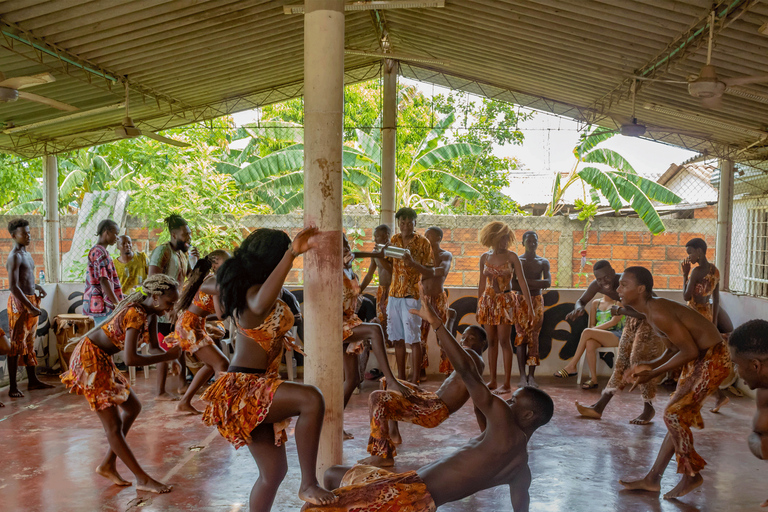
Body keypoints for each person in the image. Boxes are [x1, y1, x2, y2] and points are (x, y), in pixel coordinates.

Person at [301, 287, 553, 512]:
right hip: (409, 489)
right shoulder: (520, 468)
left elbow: (467, 371)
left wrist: (437, 324)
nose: (505, 402)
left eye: (513, 401)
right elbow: (521, 506)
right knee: (334, 475)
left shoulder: (502, 422)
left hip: (406, 497)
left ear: (528, 415)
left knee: (312, 508)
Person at [201, 226, 337, 510]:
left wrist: (221, 278)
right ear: (272, 260)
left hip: (255, 387)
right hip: (246, 388)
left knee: (273, 473)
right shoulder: (251, 295)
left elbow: (211, 283)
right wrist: (291, 255)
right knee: (312, 398)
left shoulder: (241, 286)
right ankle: (308, 483)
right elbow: (260, 304)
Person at [60, 274, 182, 493]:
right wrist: (166, 357)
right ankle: (142, 479)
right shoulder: (135, 314)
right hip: (90, 360)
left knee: (133, 407)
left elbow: (154, 347)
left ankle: (108, 465)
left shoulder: (151, 314)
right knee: (113, 426)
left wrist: (170, 357)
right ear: (155, 297)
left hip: (102, 358)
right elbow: (130, 359)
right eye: (169, 302)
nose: (171, 308)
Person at [617, 267, 731, 500]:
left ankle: (691, 475)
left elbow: (688, 350)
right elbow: (672, 348)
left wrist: (653, 373)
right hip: (701, 358)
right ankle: (652, 480)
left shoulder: (657, 310)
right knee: (675, 416)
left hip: (713, 358)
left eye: (623, 285)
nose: (618, 289)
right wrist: (649, 366)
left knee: (673, 415)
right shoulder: (649, 311)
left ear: (641, 289)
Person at [357, 324, 487, 468]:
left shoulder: (474, 359)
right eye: (463, 337)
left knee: (377, 398)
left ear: (483, 344)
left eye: (471, 338)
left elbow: (480, 402)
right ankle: (394, 434)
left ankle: (382, 455)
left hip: (434, 410)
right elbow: (446, 346)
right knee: (386, 382)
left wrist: (486, 437)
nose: (464, 340)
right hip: (430, 399)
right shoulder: (469, 361)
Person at [566, 260, 664, 425]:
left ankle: (649, 408)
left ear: (613, 271)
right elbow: (582, 300)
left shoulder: (628, 282)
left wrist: (620, 311)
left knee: (639, 363)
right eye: (599, 279)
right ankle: (599, 408)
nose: (605, 283)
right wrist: (579, 308)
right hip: (631, 321)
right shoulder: (600, 285)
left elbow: (650, 311)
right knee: (621, 364)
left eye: (607, 277)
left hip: (648, 324)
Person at [164, 251, 231, 414]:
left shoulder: (215, 281)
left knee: (211, 365)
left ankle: (184, 402)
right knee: (222, 364)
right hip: (190, 326)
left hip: (194, 324)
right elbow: (222, 314)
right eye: (227, 262)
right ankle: (220, 408)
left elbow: (218, 314)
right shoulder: (214, 282)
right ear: (215, 264)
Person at [476, 221, 533, 394]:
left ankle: (507, 383)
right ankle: (493, 381)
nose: (505, 242)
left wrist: (529, 306)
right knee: (491, 342)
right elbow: (481, 282)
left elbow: (522, 282)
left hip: (505, 302)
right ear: (492, 238)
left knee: (504, 341)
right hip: (488, 302)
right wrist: (478, 304)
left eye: (507, 239)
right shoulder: (484, 257)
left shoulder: (512, 257)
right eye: (502, 239)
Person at [149, 213, 198, 400]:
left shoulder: (182, 255)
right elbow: (152, 282)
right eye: (185, 234)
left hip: (175, 309)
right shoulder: (162, 252)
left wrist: (197, 263)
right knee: (164, 349)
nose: (189, 237)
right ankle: (160, 391)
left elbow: (191, 278)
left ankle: (182, 384)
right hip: (163, 311)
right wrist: (163, 308)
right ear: (174, 234)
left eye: (190, 233)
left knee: (180, 346)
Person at [5, 218, 52, 400]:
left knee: (30, 343)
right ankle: (13, 387)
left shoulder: (27, 254)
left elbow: (27, 280)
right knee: (16, 345)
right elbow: (13, 287)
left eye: (29, 232)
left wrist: (37, 289)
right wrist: (30, 306)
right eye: (24, 233)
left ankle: (33, 380)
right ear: (13, 236)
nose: (28, 236)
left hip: (30, 301)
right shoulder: (14, 256)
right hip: (20, 304)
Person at [387, 208, 434, 384]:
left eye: (409, 222)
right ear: (398, 223)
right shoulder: (394, 240)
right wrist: (381, 253)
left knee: (414, 340)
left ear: (415, 223)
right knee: (397, 339)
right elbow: (389, 266)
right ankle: (401, 378)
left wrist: (412, 263)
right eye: (402, 222)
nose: (405, 226)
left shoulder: (423, 243)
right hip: (394, 295)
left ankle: (414, 380)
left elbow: (430, 270)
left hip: (411, 296)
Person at [727, 319, 768, 508]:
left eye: (736, 364)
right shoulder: (763, 390)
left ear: (755, 366)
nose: (736, 371)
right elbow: (760, 437)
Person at [554, 294, 624, 389]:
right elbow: (591, 324)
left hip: (615, 335)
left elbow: (613, 322)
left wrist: (593, 331)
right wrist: (593, 331)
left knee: (587, 332)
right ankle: (594, 379)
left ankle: (572, 366)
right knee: (589, 343)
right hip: (598, 335)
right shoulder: (596, 303)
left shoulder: (618, 303)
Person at [512, 231, 551, 388]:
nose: (532, 243)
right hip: (519, 301)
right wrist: (535, 283)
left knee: (534, 338)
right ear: (523, 243)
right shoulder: (517, 261)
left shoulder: (543, 262)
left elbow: (547, 283)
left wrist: (523, 282)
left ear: (537, 242)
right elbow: (513, 285)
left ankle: (531, 376)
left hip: (536, 302)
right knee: (520, 337)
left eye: (534, 240)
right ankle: (522, 376)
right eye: (528, 241)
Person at [419, 226, 454, 375]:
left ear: (439, 238)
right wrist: (431, 272)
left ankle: (447, 370)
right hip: (423, 300)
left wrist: (424, 273)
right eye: (425, 235)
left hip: (438, 298)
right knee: (420, 336)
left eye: (430, 236)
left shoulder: (445, 255)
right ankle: (421, 370)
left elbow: (443, 271)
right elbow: (416, 274)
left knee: (442, 337)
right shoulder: (421, 256)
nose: (426, 238)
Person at [83, 220, 124, 326]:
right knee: (104, 336)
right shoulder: (98, 252)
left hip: (104, 306)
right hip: (104, 306)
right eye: (115, 234)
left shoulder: (102, 251)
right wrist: (116, 303)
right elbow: (103, 280)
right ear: (106, 231)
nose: (117, 238)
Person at [359, 224, 393, 345]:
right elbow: (369, 275)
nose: (374, 239)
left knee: (391, 321)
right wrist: (359, 290)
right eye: (375, 236)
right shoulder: (375, 252)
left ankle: (391, 345)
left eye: (377, 236)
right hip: (381, 291)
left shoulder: (393, 250)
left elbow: (391, 270)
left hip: (393, 291)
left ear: (386, 236)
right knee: (381, 320)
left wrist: (380, 256)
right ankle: (384, 345)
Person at [681, 237, 719, 326]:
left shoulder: (696, 271)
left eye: (690, 253)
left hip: (694, 315)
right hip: (707, 316)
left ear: (699, 251)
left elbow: (686, 297)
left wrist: (685, 275)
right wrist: (714, 322)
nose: (688, 257)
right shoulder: (715, 271)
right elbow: (716, 299)